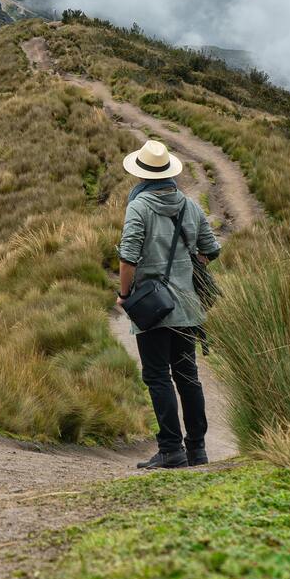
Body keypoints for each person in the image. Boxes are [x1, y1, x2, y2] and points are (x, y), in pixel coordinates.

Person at [116, 138, 221, 469]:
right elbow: (210, 249)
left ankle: (170, 449)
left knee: (158, 376)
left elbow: (128, 256)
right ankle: (197, 449)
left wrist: (124, 294)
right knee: (187, 374)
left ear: (142, 174)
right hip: (188, 306)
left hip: (154, 306)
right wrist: (184, 270)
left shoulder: (139, 206)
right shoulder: (190, 205)